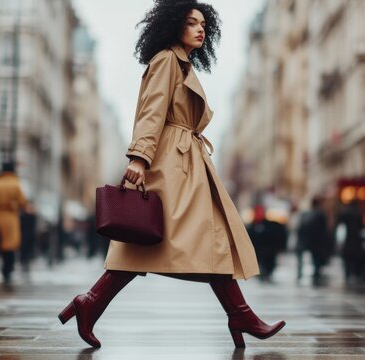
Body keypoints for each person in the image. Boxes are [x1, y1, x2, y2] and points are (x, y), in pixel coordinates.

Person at [58, 0, 285, 348]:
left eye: (204, 25)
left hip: (185, 161)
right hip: (172, 164)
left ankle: (91, 303)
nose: (199, 29)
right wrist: (139, 158)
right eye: (191, 22)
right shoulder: (167, 60)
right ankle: (239, 314)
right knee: (201, 239)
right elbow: (151, 112)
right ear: (173, 25)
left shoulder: (181, 64)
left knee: (179, 243)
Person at [0, 161, 27, 284]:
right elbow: (22, 202)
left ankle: (4, 267)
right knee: (11, 245)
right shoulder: (15, 184)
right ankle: (9, 268)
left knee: (2, 244)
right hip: (11, 217)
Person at [247, 205, 286, 282]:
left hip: (269, 251)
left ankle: (267, 274)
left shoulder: (272, 225)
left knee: (268, 264)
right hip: (257, 251)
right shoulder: (251, 226)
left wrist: (279, 247)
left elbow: (279, 235)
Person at [296, 197, 328, 286]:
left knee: (302, 258)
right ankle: (316, 275)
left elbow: (300, 228)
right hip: (315, 241)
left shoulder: (305, 214)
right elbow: (324, 231)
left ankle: (300, 273)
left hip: (304, 240)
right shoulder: (320, 215)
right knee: (316, 258)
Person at [336, 200, 364, 284]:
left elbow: (339, 225)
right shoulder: (358, 213)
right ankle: (353, 273)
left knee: (347, 258)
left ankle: (347, 274)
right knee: (354, 258)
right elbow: (361, 226)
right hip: (356, 239)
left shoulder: (345, 213)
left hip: (347, 240)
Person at [20, 202, 37, 272]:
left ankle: (26, 262)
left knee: (29, 251)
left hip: (30, 237)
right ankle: (23, 262)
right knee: (24, 250)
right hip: (23, 236)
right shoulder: (22, 216)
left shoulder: (33, 217)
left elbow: (33, 228)